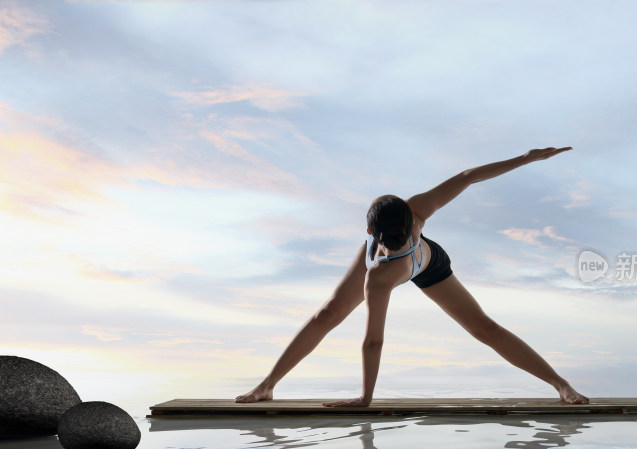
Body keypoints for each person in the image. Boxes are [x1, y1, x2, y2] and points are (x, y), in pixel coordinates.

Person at [236, 147, 589, 407]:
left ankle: (560, 385)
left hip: (428, 264)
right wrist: (527, 158)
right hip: (390, 261)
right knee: (327, 314)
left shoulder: (397, 244)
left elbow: (374, 341)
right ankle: (267, 385)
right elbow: (468, 176)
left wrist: (365, 399)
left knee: (485, 328)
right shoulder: (395, 241)